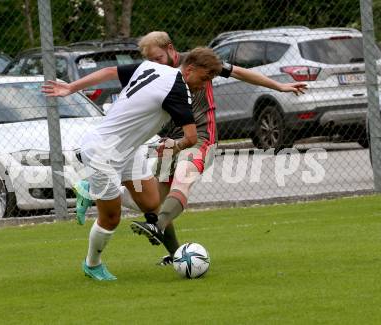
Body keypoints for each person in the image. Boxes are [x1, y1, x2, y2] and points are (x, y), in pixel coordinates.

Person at [124, 31, 308, 265]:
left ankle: (157, 226)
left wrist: (280, 87)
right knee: (151, 201)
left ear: (171, 49)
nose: (154, 63)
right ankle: (174, 253)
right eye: (150, 60)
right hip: (171, 143)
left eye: (158, 58)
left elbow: (239, 72)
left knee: (182, 178)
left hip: (201, 138)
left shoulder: (199, 62)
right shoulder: (156, 73)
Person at [42, 47, 224, 280]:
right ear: (189, 70)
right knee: (110, 218)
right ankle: (92, 264)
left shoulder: (152, 67)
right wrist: (174, 145)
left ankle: (90, 192)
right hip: (102, 152)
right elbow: (190, 138)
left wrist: (72, 87)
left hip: (129, 150)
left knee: (152, 203)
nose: (205, 84)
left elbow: (109, 71)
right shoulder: (179, 89)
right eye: (205, 78)